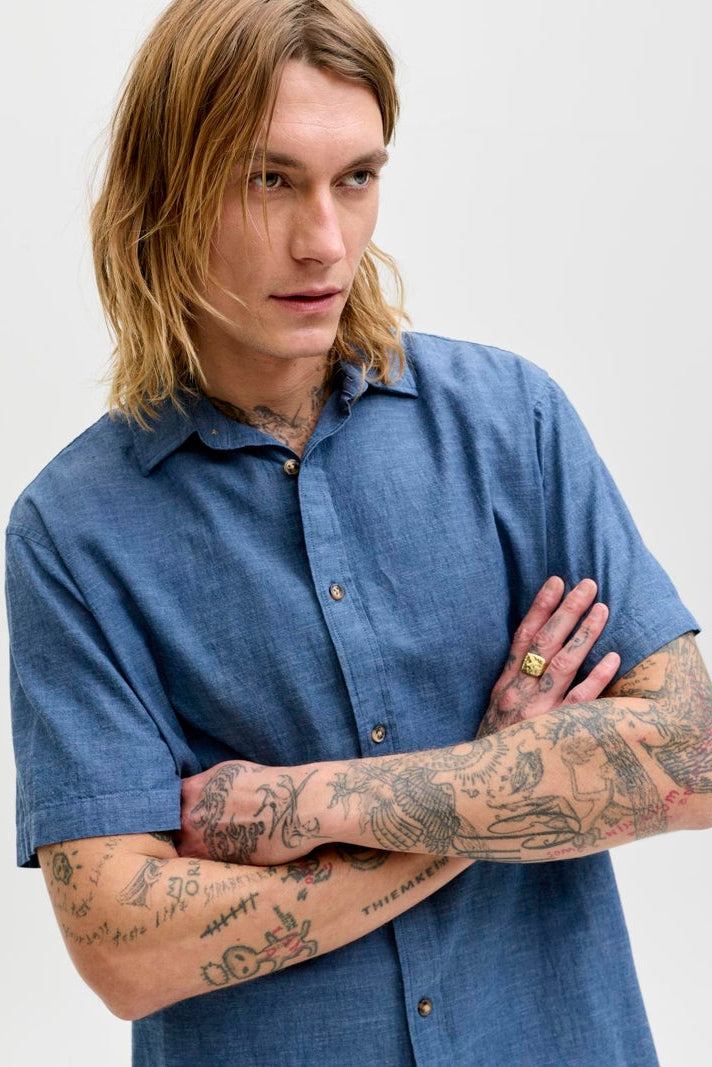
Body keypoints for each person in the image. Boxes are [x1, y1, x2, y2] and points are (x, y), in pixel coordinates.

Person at [6, 1, 711, 1065]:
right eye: (268, 179)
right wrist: (499, 775)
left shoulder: (511, 423)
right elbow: (125, 949)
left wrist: (298, 803)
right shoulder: (72, 532)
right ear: (165, 190)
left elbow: (691, 756)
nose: (324, 242)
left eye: (356, 178)